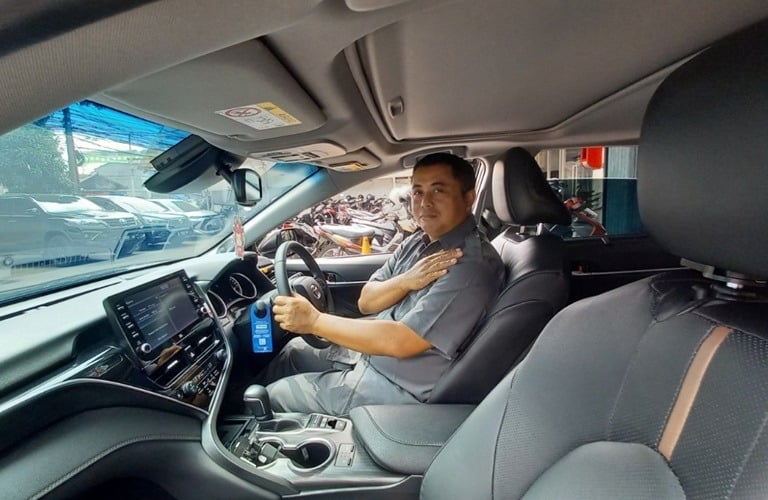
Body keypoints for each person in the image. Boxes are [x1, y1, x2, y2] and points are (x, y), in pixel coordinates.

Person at [259, 152, 504, 416]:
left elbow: (402, 341)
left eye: (438, 191)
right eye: (417, 192)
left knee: (274, 396)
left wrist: (314, 321)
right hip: (372, 356)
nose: (424, 202)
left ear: (468, 198)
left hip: (394, 385)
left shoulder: (469, 266)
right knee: (293, 351)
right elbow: (366, 302)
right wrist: (405, 281)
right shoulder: (417, 242)